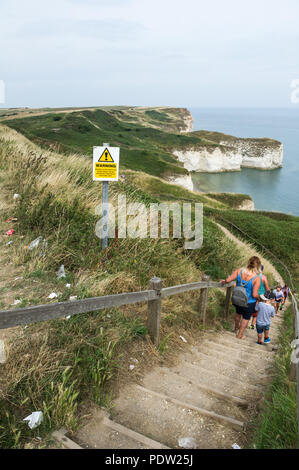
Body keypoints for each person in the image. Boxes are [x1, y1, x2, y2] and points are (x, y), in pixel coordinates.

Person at [221, 256, 261, 340]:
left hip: (237, 298)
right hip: (249, 302)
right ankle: (240, 334)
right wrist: (260, 297)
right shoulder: (256, 278)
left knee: (238, 313)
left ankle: (236, 327)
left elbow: (228, 280)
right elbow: (254, 294)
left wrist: (224, 281)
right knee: (246, 318)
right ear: (258, 266)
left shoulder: (239, 271)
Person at [249, 265, 270, 330]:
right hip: (260, 296)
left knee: (249, 308)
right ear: (262, 270)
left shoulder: (252, 276)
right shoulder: (263, 277)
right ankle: (252, 325)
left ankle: (245, 322)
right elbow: (267, 289)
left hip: (252, 294)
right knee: (256, 311)